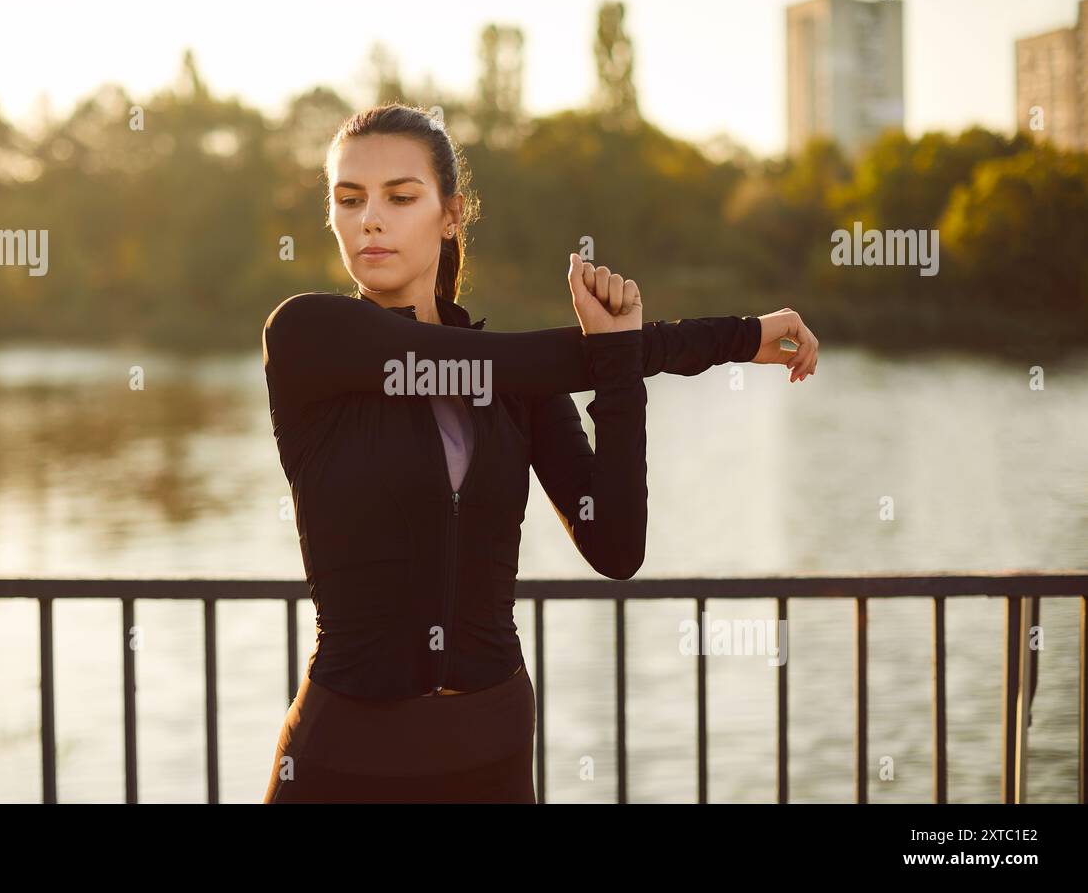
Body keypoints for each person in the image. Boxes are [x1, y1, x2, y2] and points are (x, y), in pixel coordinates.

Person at [260, 103, 819, 803]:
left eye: (401, 197)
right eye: (349, 199)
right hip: (347, 756)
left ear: (450, 214)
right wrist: (734, 337)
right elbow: (483, 363)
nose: (371, 217)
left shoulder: (519, 385)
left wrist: (618, 371)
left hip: (488, 750)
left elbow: (616, 549)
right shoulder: (309, 337)